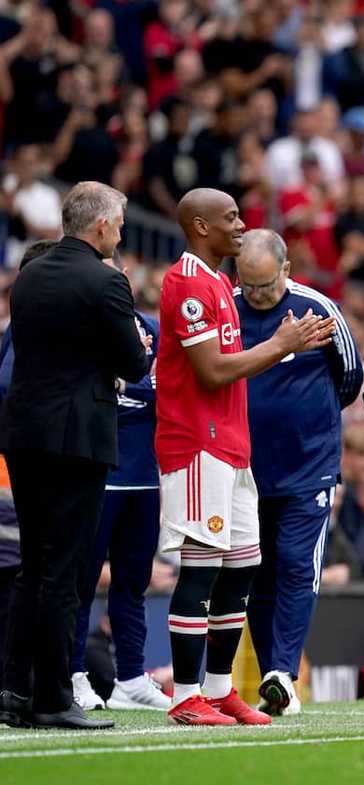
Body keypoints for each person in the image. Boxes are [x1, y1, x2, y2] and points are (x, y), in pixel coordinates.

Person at [157, 189, 335, 727]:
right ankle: (185, 695)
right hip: (197, 443)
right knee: (202, 569)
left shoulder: (218, 285)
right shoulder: (187, 284)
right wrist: (282, 344)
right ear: (200, 226)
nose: (240, 224)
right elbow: (211, 370)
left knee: (242, 568)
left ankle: (219, 689)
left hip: (233, 449)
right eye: (230, 217)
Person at [0, 182, 148, 731]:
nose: (121, 233)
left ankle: (14, 689)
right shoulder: (107, 281)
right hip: (77, 438)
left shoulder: (30, 273)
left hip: (25, 431)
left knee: (32, 566)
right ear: (102, 226)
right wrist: (138, 350)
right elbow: (134, 364)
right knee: (64, 570)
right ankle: (55, 697)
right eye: (119, 224)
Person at [234, 229, 362, 717]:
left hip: (308, 465)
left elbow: (350, 375)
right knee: (254, 572)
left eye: (266, 285)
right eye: (249, 285)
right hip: (245, 466)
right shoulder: (228, 304)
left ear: (286, 270)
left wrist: (309, 418)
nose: (258, 296)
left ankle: (283, 669)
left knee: (293, 560)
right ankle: (276, 678)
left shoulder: (317, 308)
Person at [68, 253, 169, 712]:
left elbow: (160, 390)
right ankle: (72, 674)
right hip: (96, 473)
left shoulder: (152, 327)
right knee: (80, 582)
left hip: (144, 478)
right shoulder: (78, 328)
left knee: (133, 582)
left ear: (126, 277)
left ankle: (131, 675)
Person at [0, 240, 58, 685]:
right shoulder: (28, 335)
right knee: (23, 579)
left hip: (16, 478)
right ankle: (23, 683)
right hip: (16, 485)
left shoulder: (17, 330)